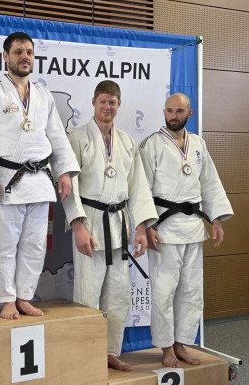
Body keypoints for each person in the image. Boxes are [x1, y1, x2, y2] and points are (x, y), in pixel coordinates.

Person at [0, 32, 80, 320]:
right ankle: (7, 299)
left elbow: (57, 136)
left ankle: (24, 297)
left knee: (34, 245)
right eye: (18, 52)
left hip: (40, 181)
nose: (25, 57)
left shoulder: (43, 95)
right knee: (3, 245)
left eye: (29, 52)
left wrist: (64, 172)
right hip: (5, 181)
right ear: (5, 56)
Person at [62, 80, 158, 371]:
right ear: (93, 102)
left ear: (119, 105)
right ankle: (86, 356)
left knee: (118, 294)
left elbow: (138, 186)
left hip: (118, 223)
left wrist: (140, 228)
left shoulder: (127, 142)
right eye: (103, 101)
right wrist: (77, 226)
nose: (107, 107)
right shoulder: (77, 137)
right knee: (88, 294)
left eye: (112, 103)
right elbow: (69, 185)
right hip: (90, 221)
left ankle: (110, 352)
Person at [139, 93, 233, 368]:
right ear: (164, 112)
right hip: (164, 228)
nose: (173, 116)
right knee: (164, 291)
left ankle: (182, 343)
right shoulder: (151, 144)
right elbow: (141, 188)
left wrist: (216, 218)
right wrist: (148, 225)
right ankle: (166, 347)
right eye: (169, 111)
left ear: (189, 114)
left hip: (193, 228)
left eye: (179, 111)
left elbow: (210, 182)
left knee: (191, 291)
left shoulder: (198, 144)